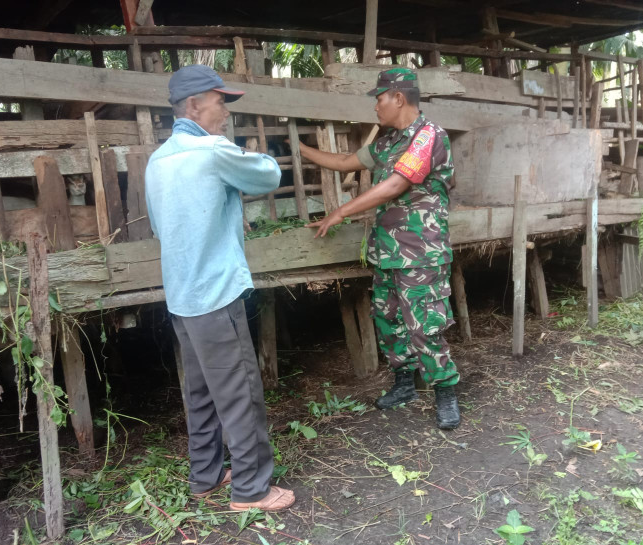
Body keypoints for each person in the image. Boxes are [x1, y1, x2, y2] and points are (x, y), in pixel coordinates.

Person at [145, 65, 295, 511]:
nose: (225, 111)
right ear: (194, 105)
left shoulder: (157, 162)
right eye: (220, 101)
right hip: (215, 294)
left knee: (202, 392)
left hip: (183, 298)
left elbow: (158, 228)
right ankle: (251, 489)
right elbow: (268, 176)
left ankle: (205, 476)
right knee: (241, 393)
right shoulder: (211, 150)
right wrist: (248, 153)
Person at [299, 67, 461, 430]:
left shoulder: (428, 136)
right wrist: (301, 148)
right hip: (387, 251)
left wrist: (339, 212)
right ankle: (405, 382)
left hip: (421, 251)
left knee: (425, 325)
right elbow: (344, 162)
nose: (376, 106)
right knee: (389, 320)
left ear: (398, 98)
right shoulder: (388, 143)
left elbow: (394, 186)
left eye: (379, 98)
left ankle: (445, 390)